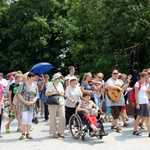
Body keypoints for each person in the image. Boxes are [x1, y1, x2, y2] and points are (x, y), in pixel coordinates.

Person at [16, 72, 38, 140]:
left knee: (30, 119)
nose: (34, 78)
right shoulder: (23, 84)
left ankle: (28, 133)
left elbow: (36, 96)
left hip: (31, 105)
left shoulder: (35, 86)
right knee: (24, 118)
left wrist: (32, 102)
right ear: (29, 77)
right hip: (24, 104)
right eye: (33, 77)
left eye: (35, 77)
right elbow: (18, 94)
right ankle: (23, 133)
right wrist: (24, 101)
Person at [45, 73, 66, 138]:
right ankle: (54, 132)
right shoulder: (50, 84)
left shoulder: (60, 84)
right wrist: (55, 93)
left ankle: (60, 131)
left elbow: (63, 93)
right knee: (53, 117)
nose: (60, 79)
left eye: (60, 78)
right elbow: (46, 93)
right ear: (55, 78)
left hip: (61, 101)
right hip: (53, 102)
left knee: (62, 117)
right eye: (58, 78)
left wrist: (61, 93)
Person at [133, 72, 150, 137]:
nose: (146, 79)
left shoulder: (146, 84)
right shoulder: (137, 83)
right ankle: (135, 130)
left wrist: (148, 102)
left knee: (148, 118)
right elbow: (136, 94)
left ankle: (149, 132)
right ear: (142, 77)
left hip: (145, 102)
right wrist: (137, 104)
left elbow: (146, 94)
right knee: (139, 117)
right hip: (140, 102)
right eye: (145, 78)